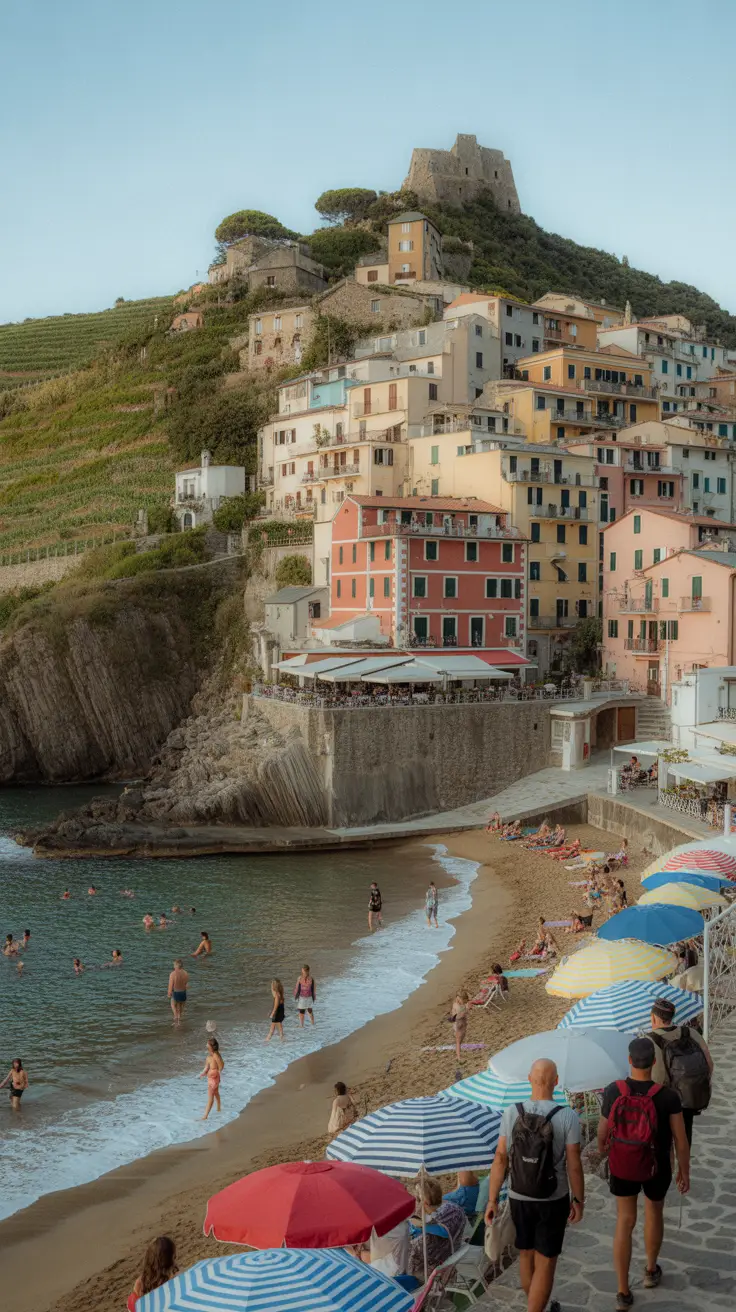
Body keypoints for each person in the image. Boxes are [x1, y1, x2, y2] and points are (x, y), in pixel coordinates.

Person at [597, 1036, 690, 1309]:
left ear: (629, 1061)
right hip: (656, 1166)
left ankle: (623, 1291)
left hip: (624, 1164)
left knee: (625, 1221)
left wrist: (608, 1151)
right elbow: (680, 1140)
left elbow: (602, 1135)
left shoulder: (614, 1091)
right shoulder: (668, 1097)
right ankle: (650, 1271)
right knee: (654, 1212)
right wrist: (684, 1171)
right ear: (653, 1062)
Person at [485, 1058, 584, 1312]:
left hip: (519, 1196)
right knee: (547, 1261)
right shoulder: (567, 1117)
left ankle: (535, 1304)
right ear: (556, 1082)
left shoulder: (511, 1112)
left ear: (529, 1080)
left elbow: (500, 1158)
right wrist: (578, 1199)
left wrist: (492, 1199)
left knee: (526, 1254)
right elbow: (573, 1164)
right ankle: (536, 1308)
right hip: (553, 1197)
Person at [649, 997, 713, 1146]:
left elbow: (657, 1078)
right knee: (685, 1136)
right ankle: (684, 1168)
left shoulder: (651, 1040)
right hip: (689, 1096)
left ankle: (671, 1166)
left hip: (665, 1101)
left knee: (664, 1142)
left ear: (654, 1017)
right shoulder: (690, 1033)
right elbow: (709, 1063)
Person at [409, 1174, 465, 1280]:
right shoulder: (453, 1208)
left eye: (416, 1199)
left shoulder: (424, 1238)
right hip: (453, 1256)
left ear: (424, 1202)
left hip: (434, 1271)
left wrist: (418, 1227)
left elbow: (411, 1258)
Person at [127, 1236, 178, 1310]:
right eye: (174, 1256)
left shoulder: (140, 1282)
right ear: (170, 1260)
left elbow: (132, 1308)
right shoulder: (174, 1279)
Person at [199, 1037, 223, 1119]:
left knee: (210, 1097)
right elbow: (206, 1067)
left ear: (211, 1046)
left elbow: (221, 1066)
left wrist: (217, 1075)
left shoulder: (216, 1055)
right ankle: (219, 1107)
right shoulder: (209, 1057)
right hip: (210, 1079)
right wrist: (203, 1073)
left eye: (207, 1043)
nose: (206, 1044)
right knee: (216, 1092)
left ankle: (205, 1116)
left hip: (214, 1079)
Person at [168, 959, 189, 1026]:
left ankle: (175, 1017)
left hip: (176, 992)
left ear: (176, 966)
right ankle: (179, 1019)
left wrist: (169, 993)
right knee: (181, 1006)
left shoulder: (173, 974)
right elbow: (186, 984)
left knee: (173, 1005)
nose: (173, 966)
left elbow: (171, 985)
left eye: (174, 965)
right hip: (183, 992)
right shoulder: (185, 973)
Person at [451, 990, 469, 1061]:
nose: (463, 1002)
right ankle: (458, 1057)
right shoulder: (456, 1005)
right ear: (458, 998)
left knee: (461, 1039)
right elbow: (457, 1017)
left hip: (463, 1023)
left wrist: (466, 1008)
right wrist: (466, 1010)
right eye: (462, 1000)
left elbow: (464, 1012)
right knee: (458, 1041)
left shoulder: (461, 1004)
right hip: (458, 1024)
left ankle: (458, 1054)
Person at [266, 978, 285, 1042]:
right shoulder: (280, 993)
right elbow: (280, 1005)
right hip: (280, 1011)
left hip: (277, 1013)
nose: (271, 987)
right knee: (277, 1025)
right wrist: (271, 1011)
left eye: (271, 985)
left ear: (274, 986)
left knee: (274, 1026)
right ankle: (281, 1039)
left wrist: (272, 1013)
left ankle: (268, 1039)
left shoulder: (277, 995)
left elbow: (276, 1005)